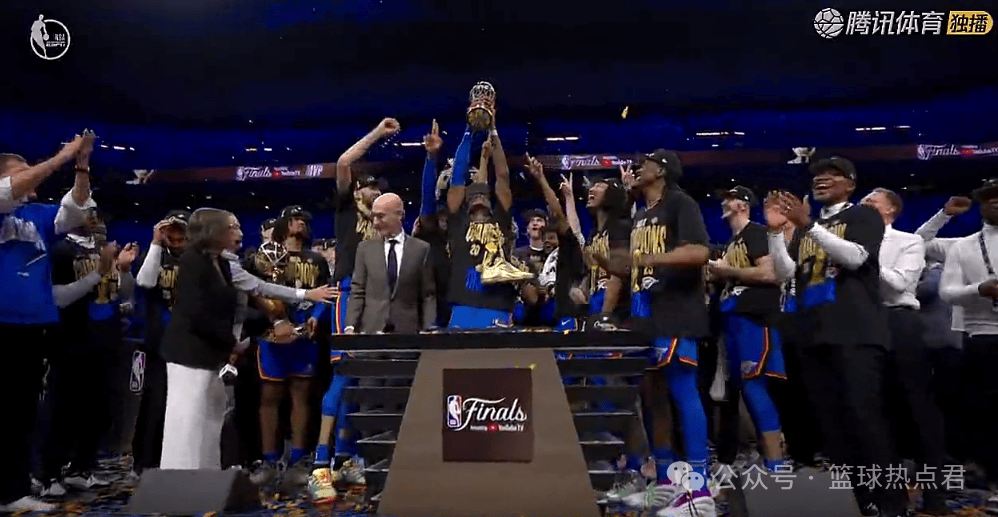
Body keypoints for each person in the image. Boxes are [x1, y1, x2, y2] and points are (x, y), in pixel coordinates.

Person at [765, 157, 907, 517]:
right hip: (813, 334)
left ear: (850, 184)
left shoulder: (863, 216)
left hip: (855, 331)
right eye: (817, 175)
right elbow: (785, 273)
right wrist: (775, 233)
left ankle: (892, 503)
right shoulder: (807, 227)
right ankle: (857, 500)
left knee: (865, 418)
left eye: (833, 175)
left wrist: (808, 225)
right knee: (831, 424)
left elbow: (856, 257)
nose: (822, 179)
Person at [614, 150, 714, 517]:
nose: (639, 167)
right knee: (653, 398)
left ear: (662, 171)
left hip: (676, 312)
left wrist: (646, 259)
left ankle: (700, 488)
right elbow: (636, 265)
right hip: (645, 315)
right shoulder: (641, 214)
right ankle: (667, 483)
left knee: (683, 392)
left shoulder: (680, 203)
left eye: (646, 163)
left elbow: (700, 252)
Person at [0, 135, 96, 514]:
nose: (32, 176)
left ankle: (12, 490)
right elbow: (8, 190)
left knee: (21, 412)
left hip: (32, 325)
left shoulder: (38, 214)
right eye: (22, 171)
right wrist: (60, 157)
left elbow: (75, 210)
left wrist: (81, 166)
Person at [36, 210, 138, 496]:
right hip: (72, 342)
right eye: (91, 216)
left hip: (107, 341)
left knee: (99, 411)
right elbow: (59, 297)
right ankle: (48, 474)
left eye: (100, 218)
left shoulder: (104, 250)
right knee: (64, 410)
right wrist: (98, 274)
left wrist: (123, 269)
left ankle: (82, 468)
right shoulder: (61, 250)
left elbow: (122, 295)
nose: (98, 223)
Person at [860, 187, 948, 514]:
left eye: (872, 201)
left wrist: (862, 257)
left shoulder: (908, 241)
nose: (864, 205)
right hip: (861, 327)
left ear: (891, 211)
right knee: (875, 414)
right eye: (863, 201)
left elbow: (898, 284)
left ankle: (935, 496)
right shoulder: (849, 244)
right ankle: (890, 498)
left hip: (899, 323)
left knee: (919, 410)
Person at [158, 208, 247, 470]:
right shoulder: (193, 260)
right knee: (187, 420)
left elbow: (228, 308)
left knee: (210, 419)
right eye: (232, 227)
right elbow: (195, 312)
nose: (239, 232)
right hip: (188, 354)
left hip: (210, 354)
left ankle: (207, 479)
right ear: (213, 230)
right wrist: (230, 342)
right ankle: (180, 480)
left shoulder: (221, 263)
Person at [706, 185, 787, 474]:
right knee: (740, 391)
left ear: (742, 205)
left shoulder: (755, 233)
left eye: (729, 199)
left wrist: (726, 271)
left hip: (755, 318)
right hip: (734, 319)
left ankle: (777, 463)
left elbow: (770, 272)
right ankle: (764, 458)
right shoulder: (733, 242)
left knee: (756, 387)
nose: (724, 203)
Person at [252, 206, 331, 487]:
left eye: (305, 220)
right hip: (271, 336)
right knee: (269, 397)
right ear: (284, 223)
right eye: (296, 219)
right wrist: (275, 321)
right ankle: (269, 460)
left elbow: (327, 293)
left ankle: (298, 459)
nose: (301, 223)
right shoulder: (263, 256)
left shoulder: (316, 260)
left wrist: (316, 317)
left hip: (304, 337)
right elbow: (255, 292)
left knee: (302, 396)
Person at [940, 178, 998, 511]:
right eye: (989, 198)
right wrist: (980, 288)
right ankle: (994, 483)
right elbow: (947, 292)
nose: (996, 202)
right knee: (988, 415)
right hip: (983, 336)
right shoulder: (963, 246)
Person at [445, 121, 531, 329]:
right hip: (463, 305)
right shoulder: (458, 222)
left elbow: (502, 176)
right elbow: (458, 176)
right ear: (467, 199)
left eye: (484, 194)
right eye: (474, 194)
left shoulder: (500, 220)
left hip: (497, 306)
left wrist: (493, 130)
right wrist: (469, 129)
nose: (479, 197)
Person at [131, 210, 190, 478]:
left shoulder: (199, 260)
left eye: (181, 234)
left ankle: (175, 458)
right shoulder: (154, 255)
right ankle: (145, 461)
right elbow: (144, 281)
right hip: (158, 343)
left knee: (183, 406)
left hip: (189, 343)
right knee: (155, 403)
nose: (175, 239)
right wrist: (156, 242)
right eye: (171, 234)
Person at [344, 193, 436, 334]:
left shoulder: (421, 249)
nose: (375, 223)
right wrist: (350, 327)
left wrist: (427, 328)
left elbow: (428, 295)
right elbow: (357, 291)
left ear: (400, 215)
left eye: (381, 216)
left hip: (408, 333)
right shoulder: (365, 249)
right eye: (373, 217)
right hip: (372, 331)